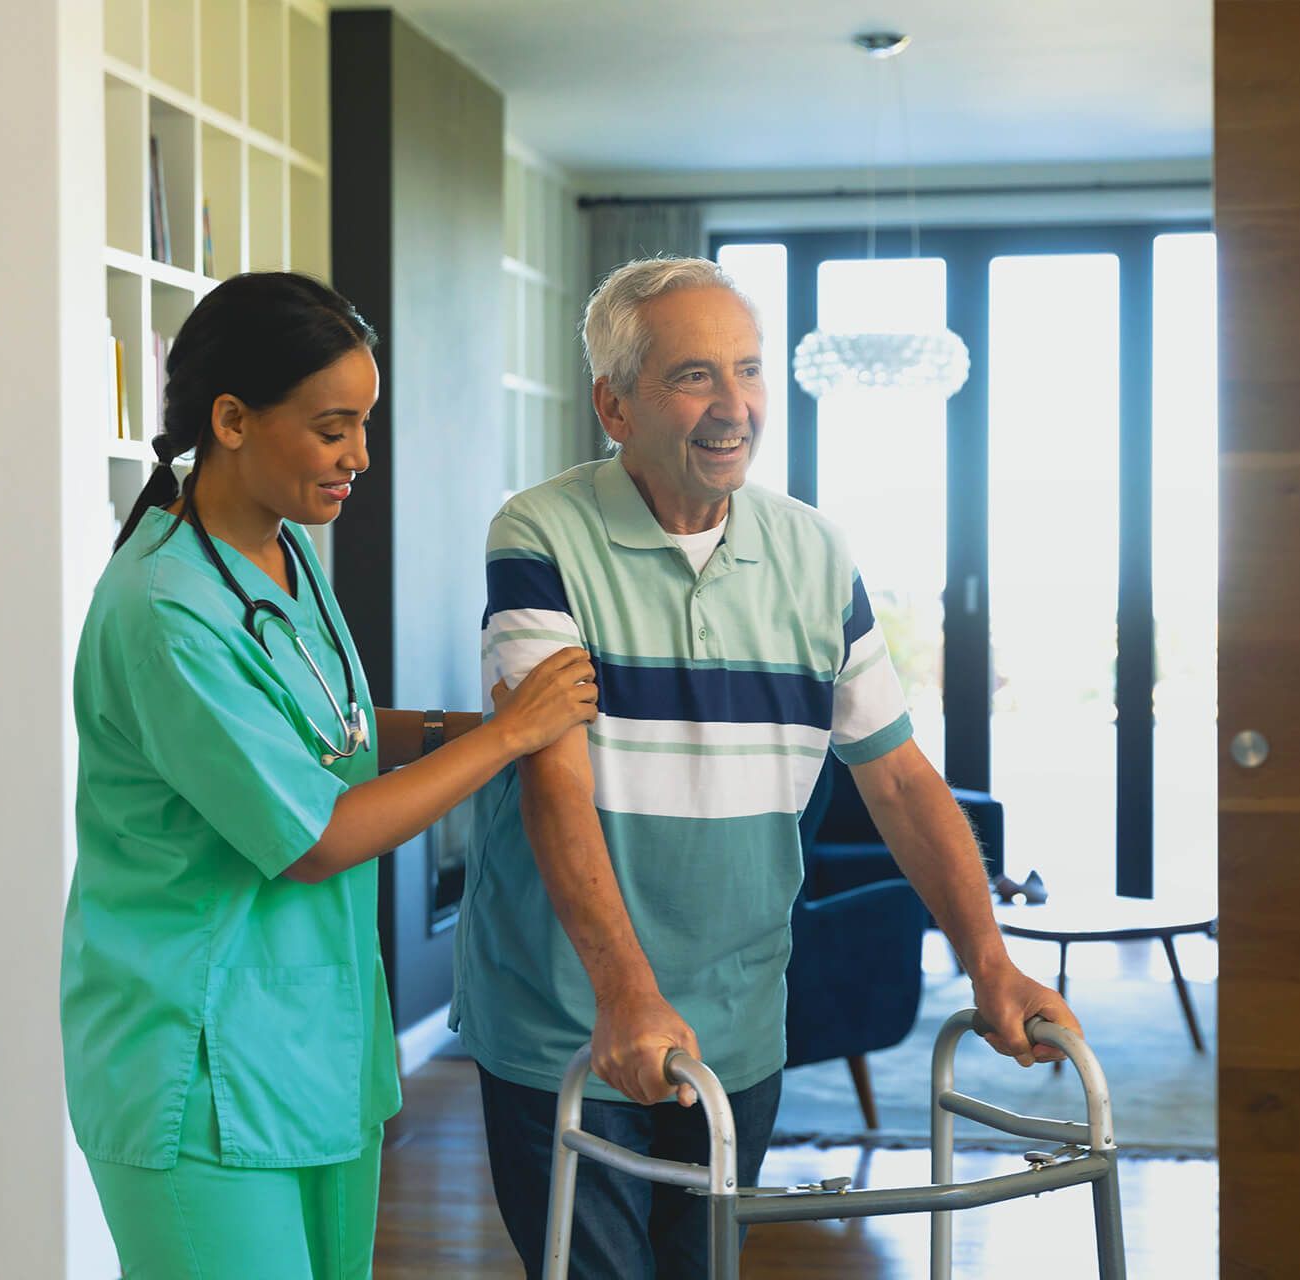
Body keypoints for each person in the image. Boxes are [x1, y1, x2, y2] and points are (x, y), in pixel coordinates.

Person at [452, 256, 1083, 1278]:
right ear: (614, 404)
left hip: (737, 1019)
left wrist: (989, 957)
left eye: (748, 370)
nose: (735, 404)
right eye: (693, 375)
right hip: (571, 1016)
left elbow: (901, 780)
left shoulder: (816, 555)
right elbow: (551, 775)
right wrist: (625, 991)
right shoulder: (542, 535)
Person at [61, 272, 598, 1279]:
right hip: (195, 1058)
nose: (358, 455)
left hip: (310, 1045)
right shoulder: (166, 607)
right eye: (332, 427)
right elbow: (317, 836)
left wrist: (466, 726)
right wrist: (508, 738)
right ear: (231, 419)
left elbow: (332, 735)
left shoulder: (284, 553)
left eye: (364, 423)